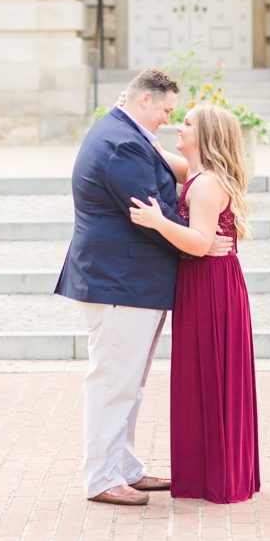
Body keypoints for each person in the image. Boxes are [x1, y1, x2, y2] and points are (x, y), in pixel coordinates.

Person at [54, 69, 234, 507]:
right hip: (120, 283)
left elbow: (171, 176)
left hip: (132, 282)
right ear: (144, 101)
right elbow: (149, 211)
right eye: (167, 110)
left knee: (128, 383)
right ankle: (101, 478)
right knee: (114, 381)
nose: (170, 120)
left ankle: (126, 468)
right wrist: (199, 241)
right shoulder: (121, 144)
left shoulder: (129, 134)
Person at [130, 103, 260, 503]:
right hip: (207, 282)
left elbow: (202, 243)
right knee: (205, 375)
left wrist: (159, 222)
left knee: (210, 373)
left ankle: (213, 475)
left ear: (205, 136)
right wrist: (137, 127)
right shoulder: (198, 174)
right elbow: (161, 155)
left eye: (185, 124)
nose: (177, 128)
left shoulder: (205, 185)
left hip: (210, 286)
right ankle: (212, 470)